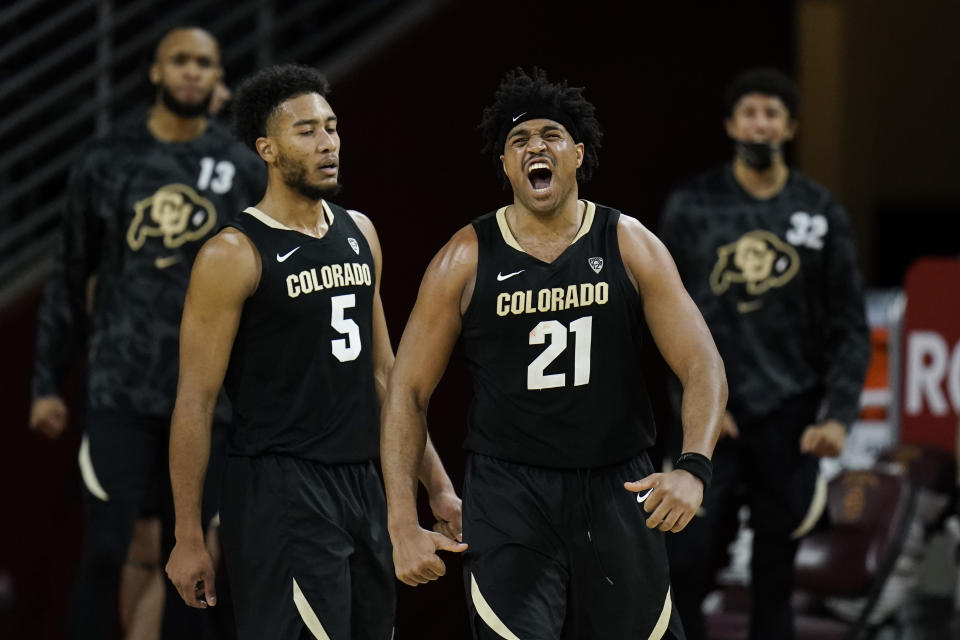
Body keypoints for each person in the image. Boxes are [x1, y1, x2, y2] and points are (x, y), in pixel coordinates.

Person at [380, 67, 728, 639]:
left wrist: (693, 467)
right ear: (505, 165)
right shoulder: (464, 258)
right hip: (510, 494)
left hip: (617, 485)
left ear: (577, 154)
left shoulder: (628, 242)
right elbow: (407, 392)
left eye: (550, 136)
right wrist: (401, 520)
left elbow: (702, 364)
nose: (535, 147)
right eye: (519, 140)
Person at [164, 63, 461, 640]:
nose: (327, 143)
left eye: (331, 127)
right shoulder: (233, 254)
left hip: (362, 485)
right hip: (280, 490)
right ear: (267, 149)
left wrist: (438, 483)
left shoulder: (360, 232)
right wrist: (189, 534)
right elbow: (195, 403)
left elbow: (387, 377)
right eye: (307, 131)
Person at [29, 26, 266, 639]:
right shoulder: (105, 160)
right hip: (120, 392)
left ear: (218, 79)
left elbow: (264, 282)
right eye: (180, 60)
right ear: (156, 72)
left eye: (205, 63)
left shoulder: (241, 169)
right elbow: (68, 273)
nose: (192, 71)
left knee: (196, 563)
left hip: (209, 396)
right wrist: (46, 384)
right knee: (106, 551)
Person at [659, 67, 871, 640]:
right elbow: (658, 321)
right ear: (730, 123)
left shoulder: (821, 213)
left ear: (791, 126)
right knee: (686, 566)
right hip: (710, 423)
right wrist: (692, 406)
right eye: (749, 112)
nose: (760, 124)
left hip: (791, 416)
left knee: (776, 576)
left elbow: (851, 327)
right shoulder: (690, 208)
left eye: (772, 113)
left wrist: (838, 415)